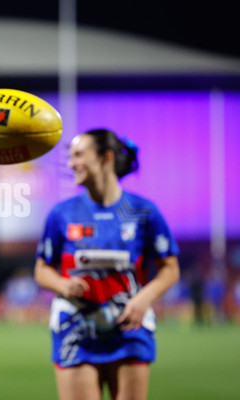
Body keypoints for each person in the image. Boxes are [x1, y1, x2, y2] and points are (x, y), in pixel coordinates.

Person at [34, 129, 180, 400]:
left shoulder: (144, 212)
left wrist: (143, 300)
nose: (70, 164)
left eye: (78, 155)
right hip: (76, 326)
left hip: (130, 326)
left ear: (106, 158)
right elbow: (42, 269)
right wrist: (63, 285)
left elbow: (170, 268)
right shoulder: (61, 214)